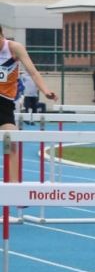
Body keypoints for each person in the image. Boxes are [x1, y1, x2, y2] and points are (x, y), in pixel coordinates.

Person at [0, 25, 58, 178]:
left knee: (12, 143)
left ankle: (15, 188)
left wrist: (46, 91)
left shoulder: (14, 48)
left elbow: (33, 71)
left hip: (5, 103)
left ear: (2, 35)